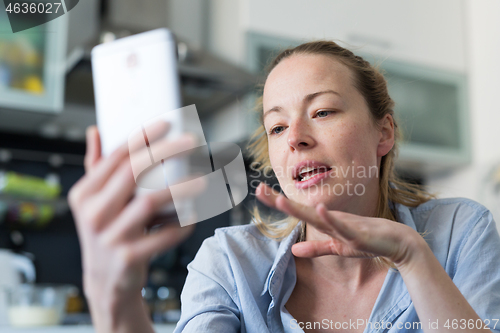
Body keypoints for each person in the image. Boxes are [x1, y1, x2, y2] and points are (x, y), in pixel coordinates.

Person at [69, 40, 500, 333]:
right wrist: (115, 298)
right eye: (276, 126)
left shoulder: (460, 231)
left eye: (324, 111)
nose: (295, 137)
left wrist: (413, 258)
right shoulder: (229, 263)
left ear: (382, 132)